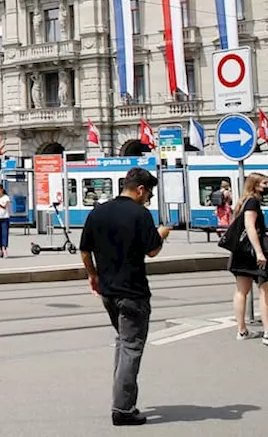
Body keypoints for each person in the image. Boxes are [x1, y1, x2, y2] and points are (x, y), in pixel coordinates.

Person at [79, 167, 172, 426]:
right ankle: (123, 409)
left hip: (108, 292)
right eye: (149, 193)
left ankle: (122, 398)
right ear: (140, 189)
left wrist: (93, 275)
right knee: (131, 347)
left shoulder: (98, 212)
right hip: (133, 292)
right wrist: (162, 234)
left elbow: (84, 250)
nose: (148, 198)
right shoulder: (140, 214)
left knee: (123, 343)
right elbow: (152, 250)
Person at [227, 173, 268, 346]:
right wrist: (259, 252)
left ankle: (242, 331)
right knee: (267, 289)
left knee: (242, 290)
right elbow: (250, 227)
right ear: (255, 185)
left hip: (240, 252)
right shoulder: (253, 202)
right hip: (252, 252)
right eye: (265, 183)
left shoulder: (244, 202)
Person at [0, 183, 12, 258]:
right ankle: (0, 249)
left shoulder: (6, 197)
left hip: (4, 218)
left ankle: (4, 249)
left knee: (4, 234)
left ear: (2, 190)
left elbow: (4, 206)